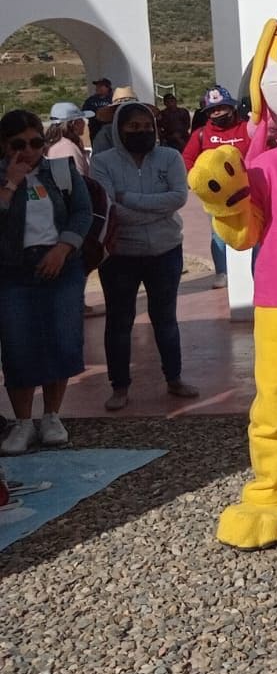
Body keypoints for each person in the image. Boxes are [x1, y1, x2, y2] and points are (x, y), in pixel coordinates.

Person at [91, 102, 197, 409]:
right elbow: (110, 207)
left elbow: (179, 197)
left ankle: (174, 378)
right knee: (119, 321)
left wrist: (130, 199)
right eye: (133, 127)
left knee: (165, 319)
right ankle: (120, 386)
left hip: (165, 252)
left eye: (147, 125)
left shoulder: (171, 157)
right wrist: (155, 209)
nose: (142, 131)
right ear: (118, 130)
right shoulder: (103, 162)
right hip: (120, 255)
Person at [0, 110, 91, 454]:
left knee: (62, 339)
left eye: (36, 142)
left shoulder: (60, 170)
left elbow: (82, 212)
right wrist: (10, 183)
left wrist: (64, 248)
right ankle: (23, 422)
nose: (29, 150)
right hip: (13, 271)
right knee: (18, 345)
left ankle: (52, 415)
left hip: (60, 264)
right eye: (19, 144)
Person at [182, 86, 250, 289]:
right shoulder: (201, 134)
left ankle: (255, 271)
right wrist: (195, 181)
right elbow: (187, 159)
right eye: (212, 110)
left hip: (247, 193)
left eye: (220, 108)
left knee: (252, 230)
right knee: (218, 234)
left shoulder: (247, 129)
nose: (216, 113)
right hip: (217, 199)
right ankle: (222, 273)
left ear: (231, 107)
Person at [45, 103, 90, 174]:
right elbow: (78, 180)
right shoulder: (67, 147)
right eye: (81, 119)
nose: (84, 122)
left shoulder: (58, 144)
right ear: (73, 123)